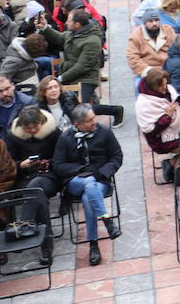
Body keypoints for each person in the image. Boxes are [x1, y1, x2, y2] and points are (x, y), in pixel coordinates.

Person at [52, 104, 123, 267]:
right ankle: (107, 222)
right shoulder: (66, 138)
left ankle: (93, 244)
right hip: (75, 181)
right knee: (88, 183)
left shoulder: (104, 132)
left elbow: (117, 157)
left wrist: (99, 173)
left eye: (94, 117)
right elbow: (58, 165)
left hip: (100, 180)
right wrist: (81, 170)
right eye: (90, 120)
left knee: (88, 196)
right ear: (78, 125)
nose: (94, 122)